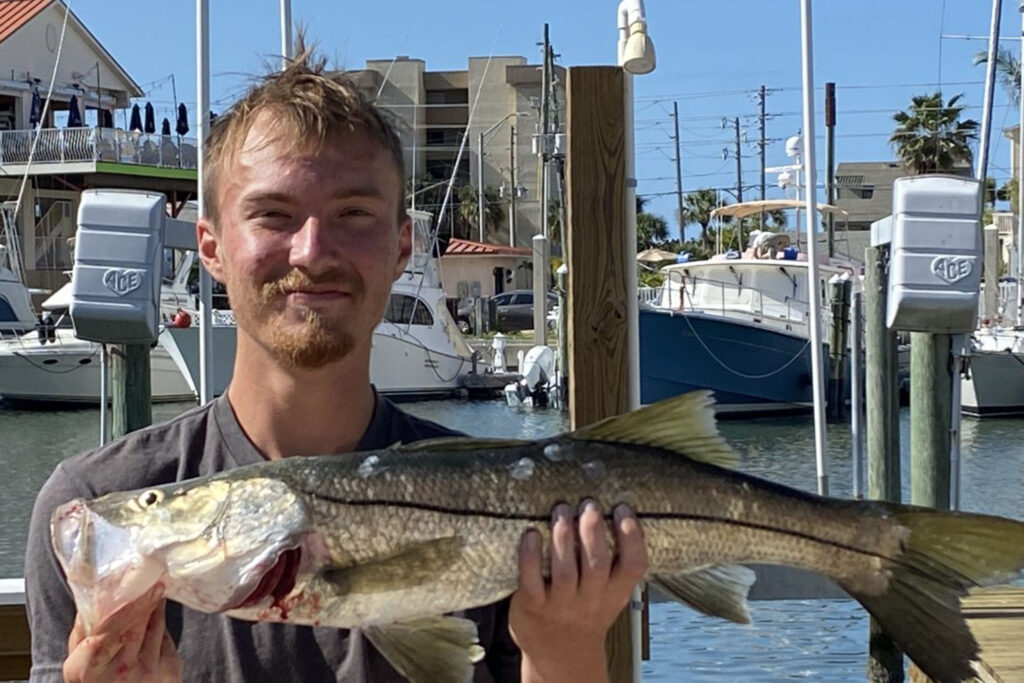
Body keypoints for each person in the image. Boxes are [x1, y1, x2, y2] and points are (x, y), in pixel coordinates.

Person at [25, 46, 647, 683]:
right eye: (273, 215)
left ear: (402, 246)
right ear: (210, 247)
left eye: (354, 213)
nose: (313, 251)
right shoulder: (97, 504)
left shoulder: (504, 502)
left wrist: (563, 654)